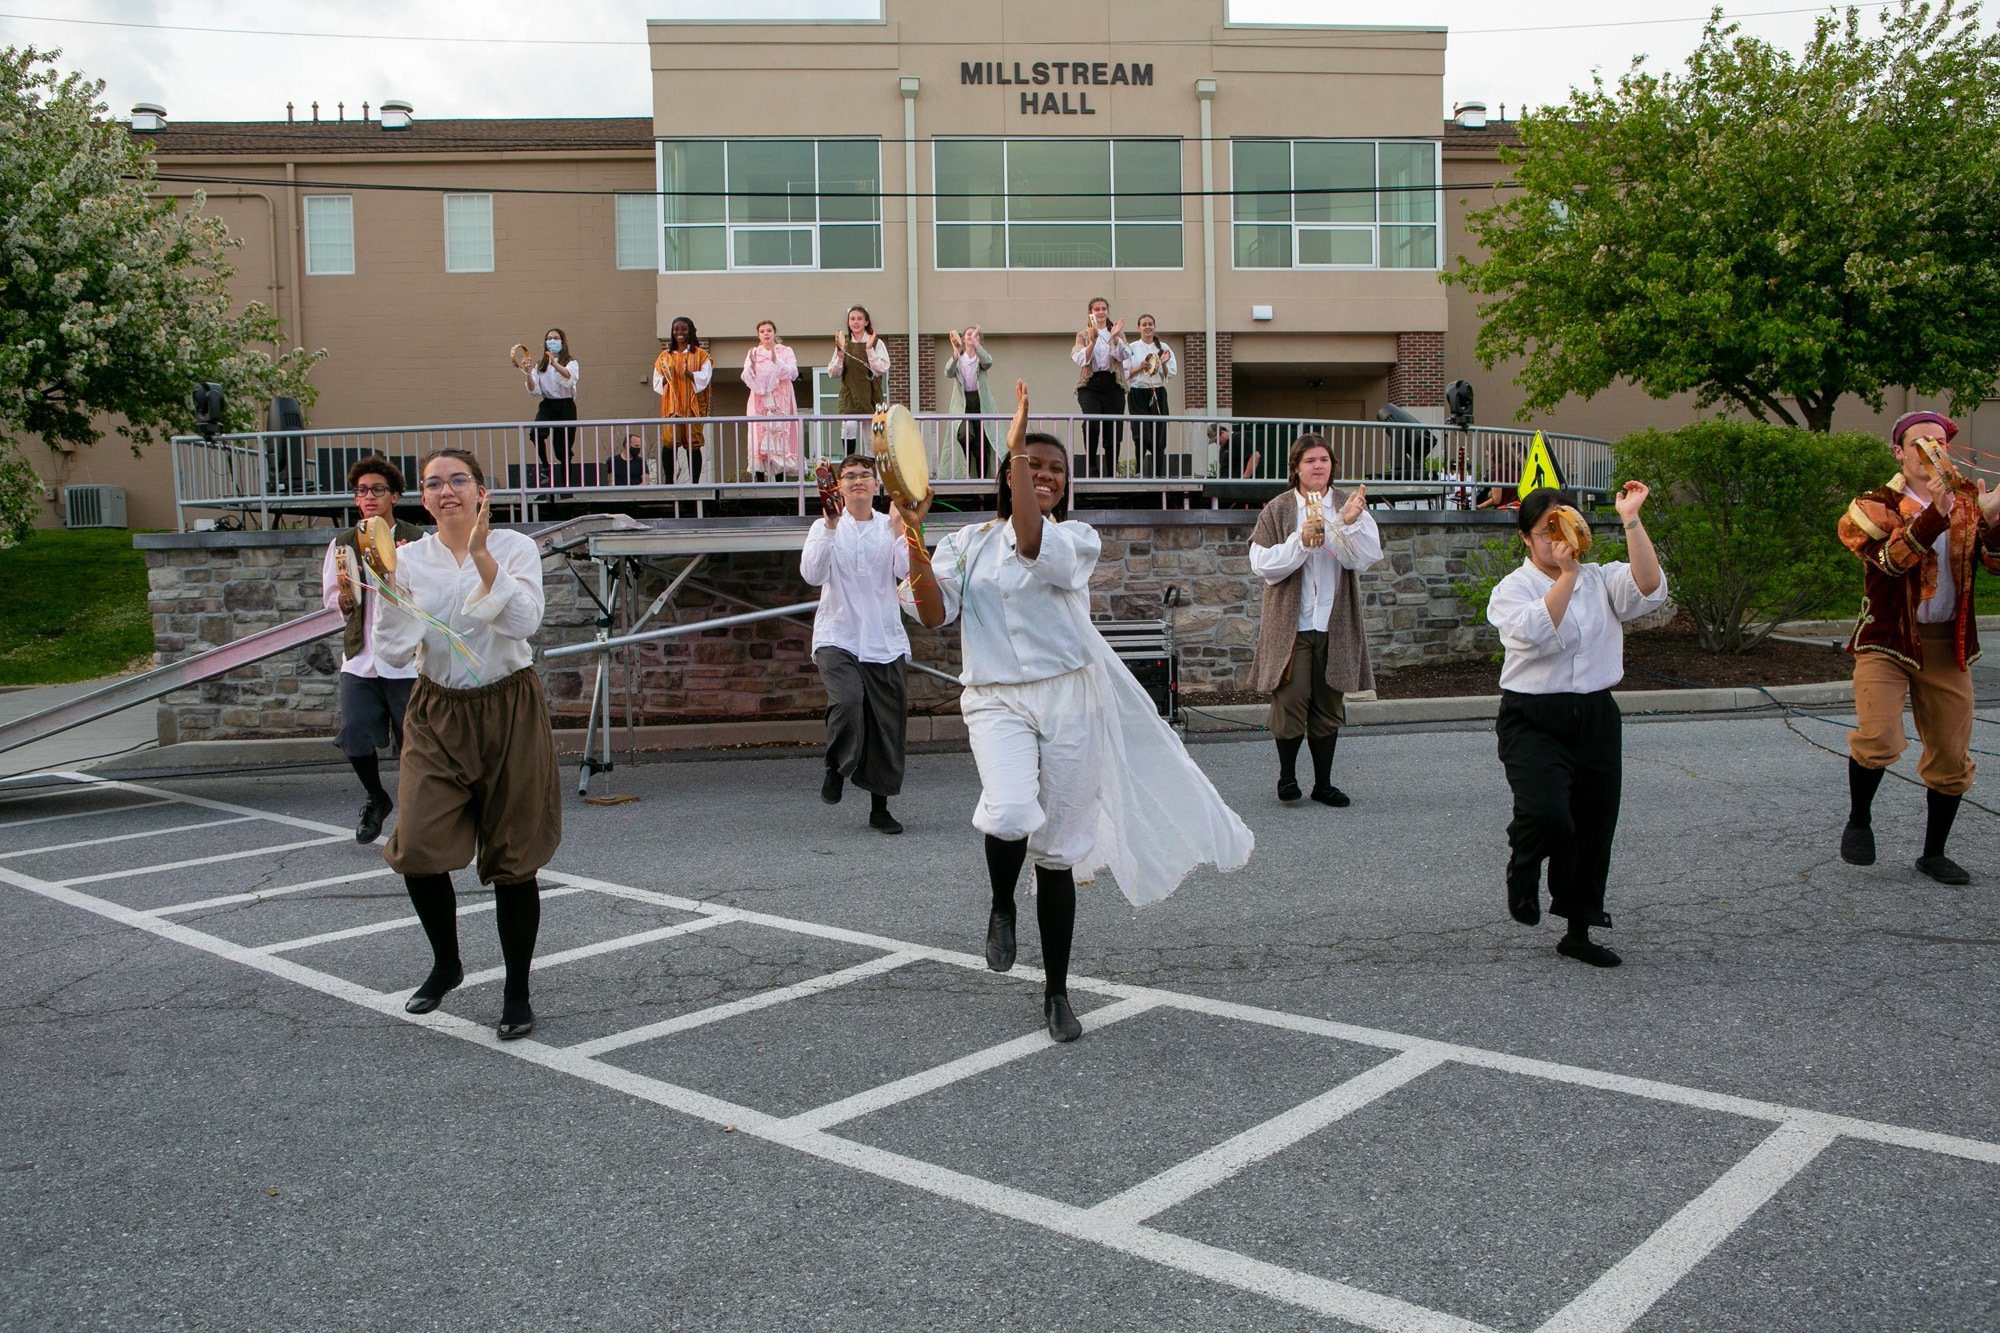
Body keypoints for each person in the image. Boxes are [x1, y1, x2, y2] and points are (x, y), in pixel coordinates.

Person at [906, 379, 1253, 1043]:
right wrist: (914, 540)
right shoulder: (967, 543)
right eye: (1031, 464)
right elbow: (929, 610)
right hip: (995, 697)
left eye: (1054, 469)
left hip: (1070, 694)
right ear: (1008, 475)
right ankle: (1002, 901)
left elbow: (1032, 544)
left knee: (1061, 850)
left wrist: (1012, 453)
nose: (1043, 474)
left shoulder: (1077, 539)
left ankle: (1057, 991)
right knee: (1009, 811)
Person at [374, 448, 561, 1040]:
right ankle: (447, 962)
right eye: (434, 483)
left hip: (509, 706)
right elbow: (394, 651)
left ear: (482, 491)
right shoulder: (408, 561)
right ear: (423, 499)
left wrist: (482, 557)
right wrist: (385, 591)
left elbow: (524, 623)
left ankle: (516, 990)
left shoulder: (514, 548)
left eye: (458, 480)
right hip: (438, 710)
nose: (445, 490)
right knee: (419, 846)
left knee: (514, 857)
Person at [1487, 484, 1666, 968]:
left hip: (1595, 715)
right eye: (1545, 530)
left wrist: (1630, 519)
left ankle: (1578, 930)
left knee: (1592, 823)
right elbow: (1535, 635)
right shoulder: (1513, 589)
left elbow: (1648, 585)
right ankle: (1523, 866)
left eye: (1562, 524)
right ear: (1526, 538)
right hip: (1533, 716)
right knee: (1548, 814)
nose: (1556, 537)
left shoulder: (1601, 579)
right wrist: (1565, 576)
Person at [1837, 410, 2000, 885]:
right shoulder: (1873, 505)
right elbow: (1890, 562)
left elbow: (1992, 565)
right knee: (1879, 739)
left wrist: (1993, 524)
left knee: (1952, 757)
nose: (1931, 451)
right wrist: (1935, 514)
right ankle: (1860, 819)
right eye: (1919, 443)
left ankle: (1933, 853)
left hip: (1946, 642)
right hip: (1886, 639)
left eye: (1939, 443)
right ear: (1898, 452)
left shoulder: (1969, 498)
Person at [1249, 435, 1383, 806]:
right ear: (1296, 467)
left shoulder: (1348, 505)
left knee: (1328, 702)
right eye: (1310, 460)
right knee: (1291, 700)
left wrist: (1344, 523)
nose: (1318, 466)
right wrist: (1300, 541)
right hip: (1292, 623)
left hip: (1333, 621)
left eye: (1324, 459)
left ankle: (1323, 783)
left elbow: (1364, 557)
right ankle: (1287, 776)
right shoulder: (1277, 509)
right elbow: (1262, 565)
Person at [800, 452, 911, 835]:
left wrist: (903, 530)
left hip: (884, 638)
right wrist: (830, 527)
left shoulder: (888, 525)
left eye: (865, 474)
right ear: (839, 485)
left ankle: (879, 808)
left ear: (877, 485)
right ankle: (835, 766)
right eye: (849, 476)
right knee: (847, 701)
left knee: (885, 725)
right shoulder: (824, 526)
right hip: (839, 634)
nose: (858, 481)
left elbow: (907, 572)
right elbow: (812, 575)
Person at [320, 455, 425, 844]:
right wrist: (344, 601)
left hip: (407, 660)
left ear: (394, 496)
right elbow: (332, 596)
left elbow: (431, 594)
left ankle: (416, 813)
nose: (368, 496)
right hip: (361, 657)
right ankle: (376, 798)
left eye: (377, 490)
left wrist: (402, 567)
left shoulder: (417, 540)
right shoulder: (342, 544)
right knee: (354, 733)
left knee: (413, 741)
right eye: (362, 490)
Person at [1070, 297, 1127, 479]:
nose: (1101, 312)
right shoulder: (1083, 334)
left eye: (1103, 309)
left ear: (1107, 311)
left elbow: (1125, 355)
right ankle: (1092, 465)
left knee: (1113, 428)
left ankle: (1111, 471)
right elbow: (1079, 358)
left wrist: (1116, 337)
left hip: (1113, 384)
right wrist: (1092, 342)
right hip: (1091, 384)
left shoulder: (1116, 333)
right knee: (1092, 422)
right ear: (1091, 312)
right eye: (1097, 309)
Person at [653, 315, 713, 484]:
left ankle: (694, 483)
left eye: (684, 329)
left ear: (690, 332)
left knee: (693, 444)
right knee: (670, 442)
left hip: (693, 407)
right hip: (672, 406)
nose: (679, 333)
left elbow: (705, 378)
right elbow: (657, 381)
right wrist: (667, 377)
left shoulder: (701, 355)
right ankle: (669, 483)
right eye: (676, 329)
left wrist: (688, 373)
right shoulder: (665, 356)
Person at [743, 319, 802, 480]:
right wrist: (753, 366)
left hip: (780, 400)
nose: (766, 334)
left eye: (769, 330)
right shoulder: (754, 353)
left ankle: (780, 479)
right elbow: (747, 377)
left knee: (780, 434)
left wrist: (777, 361)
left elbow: (793, 372)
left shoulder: (785, 351)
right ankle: (760, 479)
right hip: (760, 401)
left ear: (774, 333)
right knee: (759, 435)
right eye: (762, 331)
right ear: (758, 335)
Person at [828, 305, 890, 451]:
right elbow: (833, 373)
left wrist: (869, 349)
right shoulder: (844, 344)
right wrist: (840, 357)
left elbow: (882, 368)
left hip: (871, 396)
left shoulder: (876, 343)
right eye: (852, 319)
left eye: (859, 319)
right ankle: (849, 462)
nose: (856, 322)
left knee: (871, 438)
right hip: (850, 395)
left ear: (866, 322)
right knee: (848, 427)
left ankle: (871, 470)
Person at [523, 328, 579, 486]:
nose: (552, 341)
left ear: (562, 341)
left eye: (555, 338)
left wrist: (555, 363)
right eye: (549, 338)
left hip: (566, 405)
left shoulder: (571, 362)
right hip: (548, 403)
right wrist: (528, 372)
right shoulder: (540, 365)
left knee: (563, 450)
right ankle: (546, 466)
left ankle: (566, 486)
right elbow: (534, 388)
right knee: (536, 433)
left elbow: (570, 376)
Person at [1123, 315, 1177, 476]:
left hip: (1157, 392)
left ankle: (1158, 472)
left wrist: (1163, 364)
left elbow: (1169, 374)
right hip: (1138, 392)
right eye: (1144, 324)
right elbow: (1125, 373)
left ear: (1154, 326)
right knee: (1142, 433)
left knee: (1159, 434)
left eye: (1150, 324)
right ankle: (1140, 468)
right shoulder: (1132, 347)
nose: (1147, 327)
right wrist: (1139, 368)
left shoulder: (1163, 347)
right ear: (1138, 327)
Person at [944, 325, 995, 479]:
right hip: (963, 404)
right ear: (963, 338)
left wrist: (977, 345)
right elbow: (947, 372)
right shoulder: (960, 358)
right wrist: (955, 353)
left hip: (980, 403)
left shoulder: (981, 357)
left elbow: (988, 362)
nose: (971, 337)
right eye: (968, 334)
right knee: (964, 434)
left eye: (975, 335)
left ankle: (982, 480)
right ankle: (965, 470)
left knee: (982, 444)